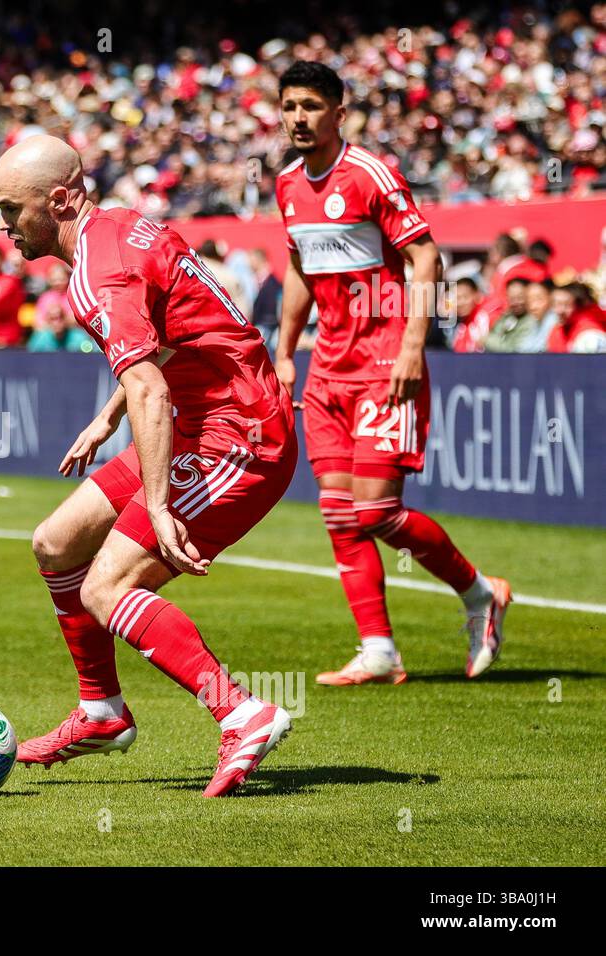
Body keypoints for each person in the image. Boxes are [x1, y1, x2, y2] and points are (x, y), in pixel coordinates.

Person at [0, 135, 297, 798]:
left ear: (60, 199)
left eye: (11, 210)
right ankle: (102, 711)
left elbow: (151, 390)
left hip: (238, 435)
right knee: (55, 542)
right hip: (198, 419)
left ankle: (243, 713)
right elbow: (160, 345)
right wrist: (107, 417)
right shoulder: (121, 228)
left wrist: (158, 505)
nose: (3, 226)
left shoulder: (95, 272)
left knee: (105, 588)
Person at [273, 61, 510, 685]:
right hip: (328, 368)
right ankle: (378, 649)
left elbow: (425, 258)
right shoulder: (288, 185)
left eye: (310, 106)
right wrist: (284, 350)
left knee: (374, 512)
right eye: (289, 105)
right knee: (338, 513)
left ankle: (481, 591)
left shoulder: (370, 173)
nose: (298, 117)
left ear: (338, 113)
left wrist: (412, 345)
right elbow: (300, 270)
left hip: (384, 363)